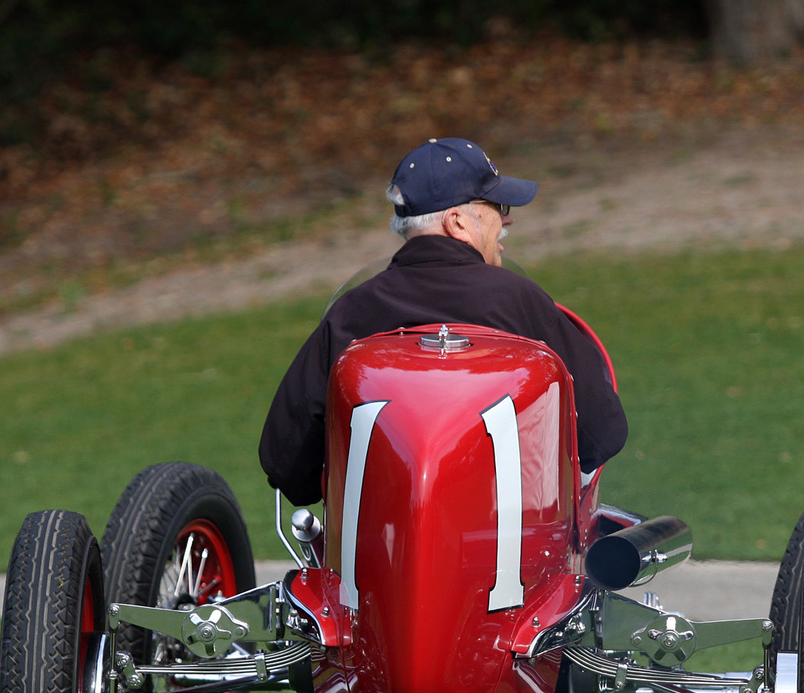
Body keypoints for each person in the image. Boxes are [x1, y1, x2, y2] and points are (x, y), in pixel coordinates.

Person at [258, 137, 628, 507]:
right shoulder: (520, 303)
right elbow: (604, 433)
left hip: (379, 554)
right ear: (457, 223)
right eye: (497, 206)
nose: (508, 218)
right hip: (506, 544)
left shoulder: (351, 314)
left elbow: (285, 463)